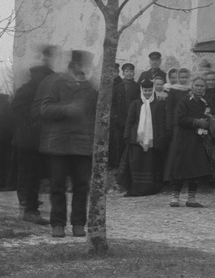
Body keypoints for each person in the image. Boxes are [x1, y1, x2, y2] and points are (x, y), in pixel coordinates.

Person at [35, 50, 98, 238]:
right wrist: (67, 109)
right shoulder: (56, 84)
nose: (85, 69)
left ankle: (79, 223)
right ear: (74, 66)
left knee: (81, 186)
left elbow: (96, 115)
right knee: (57, 186)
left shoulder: (90, 89)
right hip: (59, 144)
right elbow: (44, 109)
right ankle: (58, 224)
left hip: (82, 145)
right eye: (82, 65)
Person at [11, 50, 55, 224]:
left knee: (33, 175)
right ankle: (30, 210)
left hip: (35, 140)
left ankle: (31, 208)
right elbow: (16, 113)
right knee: (31, 174)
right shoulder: (33, 90)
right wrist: (30, 126)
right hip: (29, 141)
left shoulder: (31, 89)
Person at [165, 75, 215, 207]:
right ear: (192, 87)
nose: (199, 88)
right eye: (197, 86)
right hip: (184, 139)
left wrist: (209, 121)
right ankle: (175, 197)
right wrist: (196, 122)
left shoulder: (204, 103)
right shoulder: (184, 101)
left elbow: (208, 116)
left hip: (199, 140)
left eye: (202, 86)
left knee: (196, 168)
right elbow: (180, 119)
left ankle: (191, 198)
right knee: (181, 167)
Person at [122, 79, 169, 196]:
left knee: (150, 164)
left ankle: (150, 188)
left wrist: (162, 136)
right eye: (145, 90)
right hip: (137, 139)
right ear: (141, 90)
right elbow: (130, 121)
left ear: (152, 90)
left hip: (153, 139)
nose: (147, 93)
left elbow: (161, 122)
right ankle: (135, 189)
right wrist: (127, 135)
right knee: (136, 163)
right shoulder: (135, 104)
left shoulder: (158, 105)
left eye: (149, 90)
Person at [109, 62, 140, 170]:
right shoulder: (117, 87)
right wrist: (115, 116)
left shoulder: (137, 87)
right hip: (119, 121)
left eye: (131, 71)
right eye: (127, 71)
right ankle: (119, 167)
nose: (129, 73)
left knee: (130, 143)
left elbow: (139, 103)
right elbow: (112, 104)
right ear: (123, 73)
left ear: (134, 73)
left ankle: (129, 167)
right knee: (119, 144)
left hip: (132, 120)